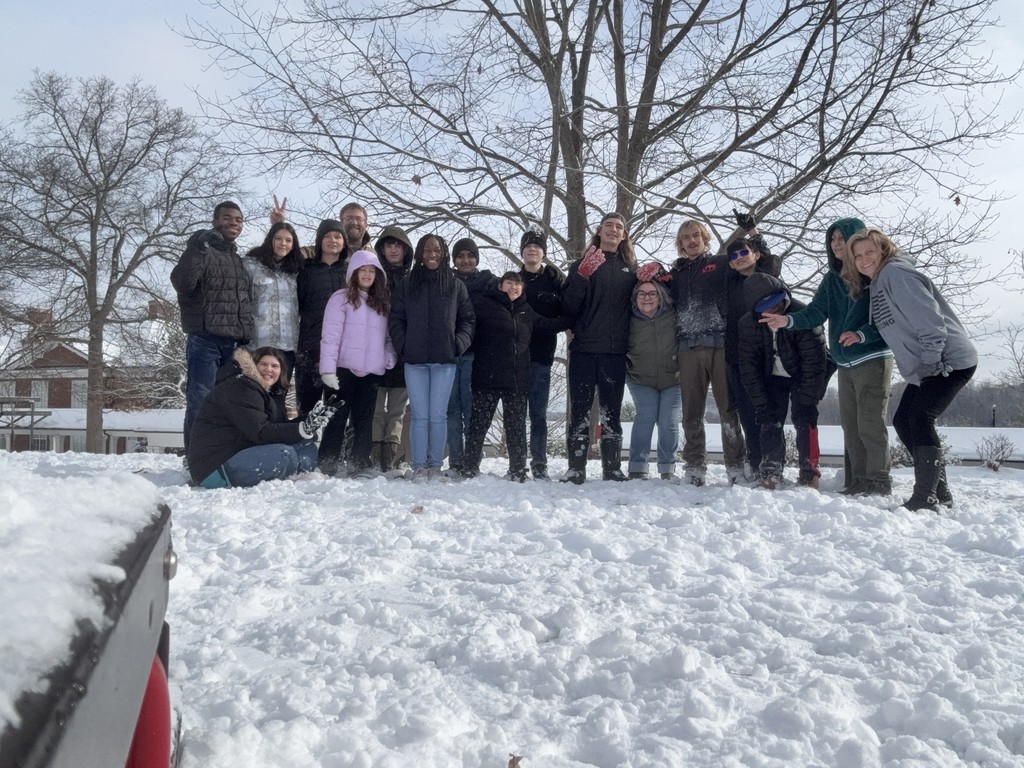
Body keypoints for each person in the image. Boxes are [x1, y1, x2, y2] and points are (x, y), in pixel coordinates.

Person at [839, 228, 977, 512]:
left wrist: (930, 361)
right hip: (928, 363)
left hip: (947, 359)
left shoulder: (896, 274)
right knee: (905, 420)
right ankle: (940, 491)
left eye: (870, 252)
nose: (865, 260)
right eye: (859, 256)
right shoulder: (879, 281)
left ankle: (925, 496)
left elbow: (930, 320)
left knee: (920, 416)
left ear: (884, 250)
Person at [761, 217, 894, 495]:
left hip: (872, 357)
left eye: (840, 238)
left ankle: (878, 481)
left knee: (870, 423)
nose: (835, 244)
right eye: (831, 239)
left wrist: (862, 335)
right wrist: (787, 322)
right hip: (846, 361)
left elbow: (886, 318)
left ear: (856, 238)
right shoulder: (831, 279)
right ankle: (858, 479)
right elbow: (815, 313)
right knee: (852, 425)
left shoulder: (874, 276)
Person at [667, 217, 750, 486]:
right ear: (680, 244)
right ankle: (694, 465)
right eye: (686, 238)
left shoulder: (721, 264)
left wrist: (752, 232)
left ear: (705, 239)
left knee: (728, 409)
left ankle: (736, 465)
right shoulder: (675, 274)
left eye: (696, 236)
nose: (691, 241)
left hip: (720, 343)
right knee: (692, 412)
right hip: (687, 347)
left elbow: (758, 264)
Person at [389, 234, 475, 481]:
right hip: (414, 360)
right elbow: (396, 318)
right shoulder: (408, 283)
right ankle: (418, 465)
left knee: (438, 415)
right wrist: (403, 345)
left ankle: (434, 466)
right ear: (419, 252)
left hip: (444, 360)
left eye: (436, 249)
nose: (432, 254)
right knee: (419, 415)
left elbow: (468, 320)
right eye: (427, 249)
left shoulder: (455, 284)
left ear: (443, 252)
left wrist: (457, 344)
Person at [171, 201, 254, 453]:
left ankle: (221, 452)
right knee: (200, 401)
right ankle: (195, 456)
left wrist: (246, 336)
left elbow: (243, 302)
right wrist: (196, 247)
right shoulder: (202, 251)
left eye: (238, 219)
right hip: (205, 340)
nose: (233, 223)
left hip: (234, 345)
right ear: (215, 220)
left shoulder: (238, 260)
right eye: (227, 218)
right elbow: (183, 283)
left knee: (229, 404)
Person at [186, 347, 334, 488]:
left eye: (275, 366)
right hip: (215, 466)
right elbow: (260, 432)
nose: (269, 369)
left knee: (306, 445)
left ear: (281, 371)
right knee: (285, 454)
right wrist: (301, 429)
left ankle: (302, 476)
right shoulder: (241, 387)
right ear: (252, 365)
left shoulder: (268, 393)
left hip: (241, 453)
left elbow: (277, 428)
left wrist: (308, 421)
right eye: (263, 364)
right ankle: (293, 476)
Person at [560, 212, 637, 483]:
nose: (613, 230)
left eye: (619, 227)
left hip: (614, 353)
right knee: (579, 410)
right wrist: (581, 276)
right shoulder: (581, 265)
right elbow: (568, 307)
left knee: (611, 412)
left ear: (624, 235)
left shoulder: (631, 270)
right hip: (583, 349)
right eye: (608, 226)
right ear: (599, 231)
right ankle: (576, 467)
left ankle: (612, 467)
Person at [739, 274, 831, 489]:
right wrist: (761, 403)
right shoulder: (747, 324)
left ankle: (809, 473)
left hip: (804, 375)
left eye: (777, 304)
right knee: (769, 419)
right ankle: (770, 471)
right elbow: (748, 366)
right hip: (771, 376)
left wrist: (809, 397)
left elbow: (815, 362)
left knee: (804, 419)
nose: (773, 310)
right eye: (766, 307)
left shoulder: (803, 315)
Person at [317, 250, 397, 476]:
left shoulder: (381, 303)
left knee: (364, 420)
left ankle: (359, 463)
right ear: (354, 272)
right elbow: (330, 337)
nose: (367, 274)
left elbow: (388, 338)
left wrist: (388, 357)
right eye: (363, 270)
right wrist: (327, 370)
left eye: (372, 271)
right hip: (342, 370)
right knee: (336, 418)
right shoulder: (340, 299)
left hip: (371, 371)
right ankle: (328, 462)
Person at [723, 219, 779, 478]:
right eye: (733, 255)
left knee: (768, 411)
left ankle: (773, 464)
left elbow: (768, 257)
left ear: (755, 254)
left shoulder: (767, 276)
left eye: (744, 252)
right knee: (746, 412)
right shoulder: (729, 282)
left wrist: (753, 231)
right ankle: (756, 463)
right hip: (737, 357)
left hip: (766, 354)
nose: (739, 257)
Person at [447, 237, 497, 474]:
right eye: (460, 256)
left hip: (476, 354)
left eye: (470, 256)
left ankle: (471, 461)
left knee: (471, 409)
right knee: (451, 410)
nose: (465, 260)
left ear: (476, 258)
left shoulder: (489, 282)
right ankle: (455, 460)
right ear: (454, 259)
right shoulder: (445, 281)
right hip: (447, 354)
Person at [518, 227, 566, 480]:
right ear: (522, 252)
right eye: (527, 246)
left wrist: (543, 324)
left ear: (543, 252)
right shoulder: (513, 280)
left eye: (537, 246)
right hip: (514, 358)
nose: (532, 249)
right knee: (516, 413)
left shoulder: (554, 280)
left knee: (538, 414)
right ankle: (517, 461)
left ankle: (539, 462)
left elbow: (566, 314)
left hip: (542, 357)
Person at [624, 278, 680, 480]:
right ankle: (637, 467)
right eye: (642, 294)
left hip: (674, 379)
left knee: (668, 421)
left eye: (652, 293)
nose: (646, 298)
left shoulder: (673, 315)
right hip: (640, 378)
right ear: (635, 297)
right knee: (645, 418)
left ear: (660, 296)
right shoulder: (628, 319)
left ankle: (667, 468)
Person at [295, 219, 349, 417]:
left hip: (342, 351)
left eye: (337, 236)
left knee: (338, 412)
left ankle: (333, 449)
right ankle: (306, 447)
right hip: (310, 347)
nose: (332, 240)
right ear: (319, 241)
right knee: (308, 410)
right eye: (327, 236)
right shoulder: (306, 270)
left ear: (344, 241)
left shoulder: (351, 272)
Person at [372, 225, 415, 471]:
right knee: (377, 410)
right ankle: (375, 455)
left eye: (398, 245)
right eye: (388, 245)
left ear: (406, 249)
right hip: (375, 349)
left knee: (397, 410)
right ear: (382, 249)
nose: (393, 249)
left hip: (404, 350)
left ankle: (392, 455)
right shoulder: (374, 275)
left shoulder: (412, 278)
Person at [243, 221, 304, 379]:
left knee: (278, 397)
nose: (283, 243)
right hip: (259, 343)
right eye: (278, 238)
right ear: (271, 240)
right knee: (256, 394)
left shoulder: (297, 271)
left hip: (288, 345)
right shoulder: (251, 265)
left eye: (288, 240)